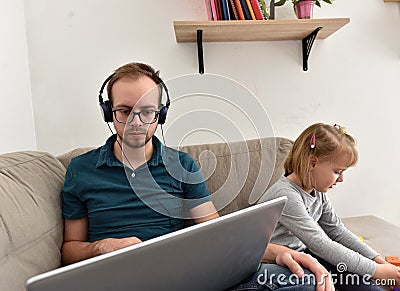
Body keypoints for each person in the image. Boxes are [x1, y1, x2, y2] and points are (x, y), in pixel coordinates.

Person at [61, 62, 333, 290]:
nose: (136, 122)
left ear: (161, 115)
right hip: (115, 281)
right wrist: (100, 248)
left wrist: (282, 253)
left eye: (147, 112)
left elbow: (217, 235)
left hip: (180, 280)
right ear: (109, 112)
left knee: (299, 280)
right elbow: (70, 248)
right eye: (124, 111)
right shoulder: (81, 170)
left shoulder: (182, 165)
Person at [258, 123, 400, 291]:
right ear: (312, 163)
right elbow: (320, 243)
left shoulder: (317, 192)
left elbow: (338, 231)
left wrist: (379, 262)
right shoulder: (286, 195)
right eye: (337, 171)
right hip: (278, 261)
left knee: (362, 283)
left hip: (304, 253)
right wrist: (376, 271)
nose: (341, 179)